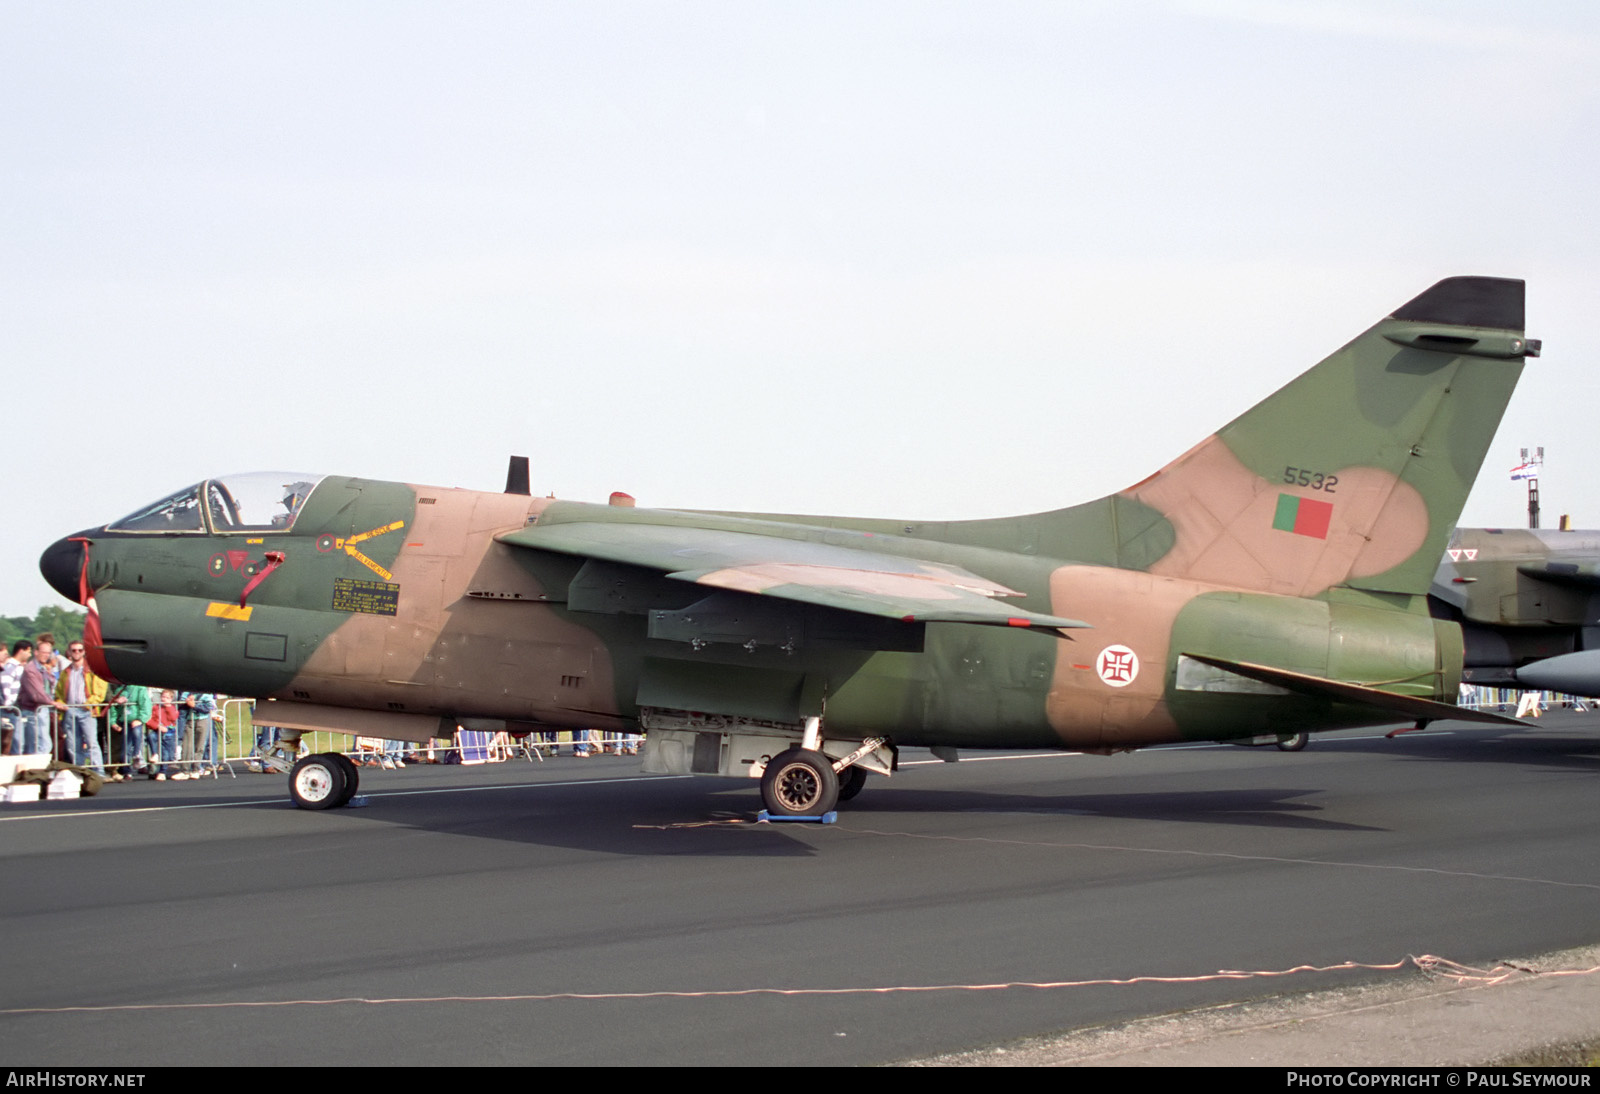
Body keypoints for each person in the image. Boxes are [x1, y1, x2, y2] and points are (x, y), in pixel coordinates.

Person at [53, 640, 107, 777]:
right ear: (69, 652)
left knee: (91, 742)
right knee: (73, 744)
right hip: (70, 710)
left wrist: (89, 703)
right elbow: (58, 693)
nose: (77, 652)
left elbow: (100, 691)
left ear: (84, 652)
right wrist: (61, 703)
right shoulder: (66, 672)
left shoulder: (91, 670)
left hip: (86, 710)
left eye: (80, 650)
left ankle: (98, 771)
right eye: (74, 650)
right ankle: (80, 770)